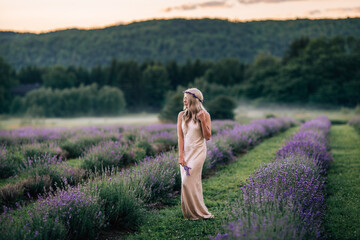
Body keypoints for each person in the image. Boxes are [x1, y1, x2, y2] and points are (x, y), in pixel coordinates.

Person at [177, 88, 214, 220]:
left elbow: (207, 137)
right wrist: (181, 155)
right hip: (186, 153)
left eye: (186, 99)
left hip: (198, 152)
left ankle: (199, 212)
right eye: (184, 99)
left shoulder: (205, 114)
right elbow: (180, 137)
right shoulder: (181, 115)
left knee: (188, 181)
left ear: (193, 100)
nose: (184, 101)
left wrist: (202, 120)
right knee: (188, 183)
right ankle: (190, 213)